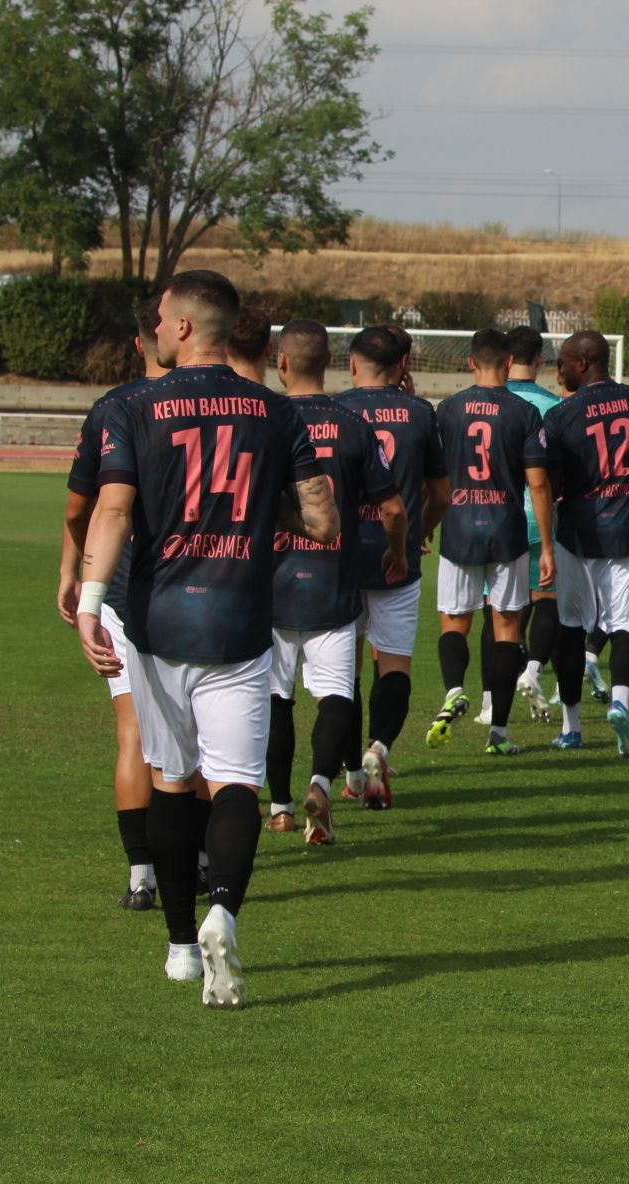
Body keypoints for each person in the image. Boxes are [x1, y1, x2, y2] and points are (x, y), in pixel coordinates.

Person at [74, 268, 338, 1008]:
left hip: (157, 622)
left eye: (161, 316)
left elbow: (116, 509)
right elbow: (321, 522)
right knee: (235, 787)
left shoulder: (133, 405)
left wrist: (92, 601)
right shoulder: (277, 412)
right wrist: (261, 510)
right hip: (239, 621)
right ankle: (224, 907)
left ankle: (182, 947)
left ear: (185, 326)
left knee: (169, 778)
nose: (156, 326)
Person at [263, 320, 406, 846]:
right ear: (329, 363)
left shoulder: (265, 422)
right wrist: (395, 548)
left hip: (274, 585)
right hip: (335, 581)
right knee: (336, 696)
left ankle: (278, 806)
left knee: (276, 698)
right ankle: (321, 783)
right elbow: (391, 507)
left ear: (281, 364)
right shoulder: (352, 425)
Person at [59, 293, 165, 910]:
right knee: (198, 739)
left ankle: (140, 876)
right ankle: (201, 859)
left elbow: (83, 507)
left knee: (133, 732)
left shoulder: (115, 407)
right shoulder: (223, 405)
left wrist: (72, 571)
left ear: (136, 343)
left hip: (125, 589)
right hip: (210, 590)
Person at [425, 329, 553, 755]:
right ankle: (498, 733)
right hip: (506, 528)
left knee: (455, 621)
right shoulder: (523, 412)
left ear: (469, 363)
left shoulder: (448, 408)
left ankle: (454, 690)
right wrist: (548, 547)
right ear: (510, 359)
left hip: (459, 525)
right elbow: (537, 484)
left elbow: (435, 478)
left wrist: (427, 521)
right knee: (506, 628)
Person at [338, 326, 450, 809]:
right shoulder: (422, 413)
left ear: (351, 363)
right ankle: (378, 749)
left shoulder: (334, 409)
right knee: (395, 663)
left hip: (340, 557)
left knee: (345, 672)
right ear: (403, 365)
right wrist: (417, 532)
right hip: (395, 556)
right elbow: (443, 494)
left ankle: (350, 772)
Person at [536, 331, 629, 754]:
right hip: (626, 529)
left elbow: (554, 483)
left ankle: (572, 728)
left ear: (583, 364)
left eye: (565, 363)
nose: (560, 371)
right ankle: (621, 704)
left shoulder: (562, 415)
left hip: (576, 534)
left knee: (570, 630)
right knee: (625, 627)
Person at [504, 325, 565, 714]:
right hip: (540, 512)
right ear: (540, 360)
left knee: (502, 608)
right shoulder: (553, 405)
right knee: (546, 597)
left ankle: (494, 703)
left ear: (505, 358)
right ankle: (532, 669)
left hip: (492, 514)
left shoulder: (488, 401)